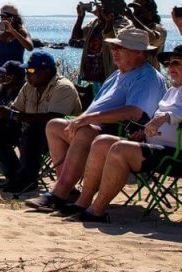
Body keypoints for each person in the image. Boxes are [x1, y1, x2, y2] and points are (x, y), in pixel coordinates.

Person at [26, 28, 166, 212]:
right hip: (96, 128)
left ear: (139, 52)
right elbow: (98, 106)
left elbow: (134, 112)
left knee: (85, 131)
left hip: (120, 133)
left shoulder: (147, 76)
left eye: (120, 48)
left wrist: (86, 120)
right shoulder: (117, 75)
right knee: (54, 126)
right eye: (114, 47)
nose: (113, 51)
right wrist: (81, 119)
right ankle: (68, 189)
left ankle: (59, 194)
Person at [61, 45, 182, 222]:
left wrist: (163, 117)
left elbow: (174, 115)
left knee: (119, 149)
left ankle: (96, 211)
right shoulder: (173, 91)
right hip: (156, 147)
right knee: (102, 142)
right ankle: (83, 202)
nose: (170, 68)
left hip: (175, 155)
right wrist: (143, 131)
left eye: (176, 63)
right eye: (168, 64)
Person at [0, 51, 82, 195]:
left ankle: (27, 180)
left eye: (32, 70)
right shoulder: (29, 86)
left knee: (33, 132)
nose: (27, 73)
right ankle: (15, 176)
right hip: (29, 132)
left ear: (46, 71)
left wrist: (11, 114)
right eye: (26, 69)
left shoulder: (63, 87)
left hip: (58, 137)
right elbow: (15, 109)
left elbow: (52, 119)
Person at [69, 0, 132, 85]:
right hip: (90, 78)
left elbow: (113, 41)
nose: (99, 8)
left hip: (109, 79)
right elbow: (76, 36)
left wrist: (108, 21)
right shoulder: (96, 23)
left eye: (102, 6)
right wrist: (80, 17)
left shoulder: (124, 25)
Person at [0, 4, 34, 84]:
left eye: (6, 17)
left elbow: (30, 47)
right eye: (2, 17)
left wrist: (12, 31)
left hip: (16, 74)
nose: (3, 20)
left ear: (14, 18)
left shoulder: (22, 32)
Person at [126, 0, 167, 69]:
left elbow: (150, 37)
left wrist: (132, 18)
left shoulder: (160, 30)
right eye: (134, 10)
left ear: (151, 14)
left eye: (139, 11)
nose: (135, 14)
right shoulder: (131, 27)